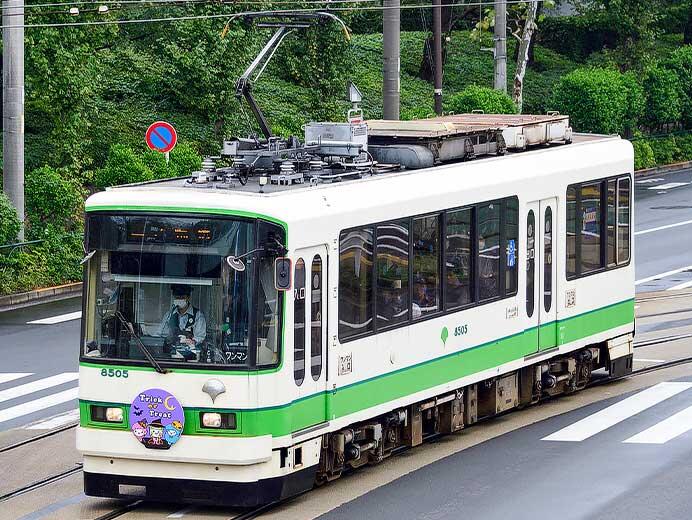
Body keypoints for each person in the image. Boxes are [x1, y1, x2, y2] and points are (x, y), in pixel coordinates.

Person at [157, 284, 207, 359]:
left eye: (182, 297)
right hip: (170, 354)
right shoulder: (169, 315)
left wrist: (191, 341)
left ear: (188, 298)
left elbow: (200, 337)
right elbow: (160, 333)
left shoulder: (198, 316)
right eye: (177, 297)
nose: (180, 300)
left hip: (190, 356)